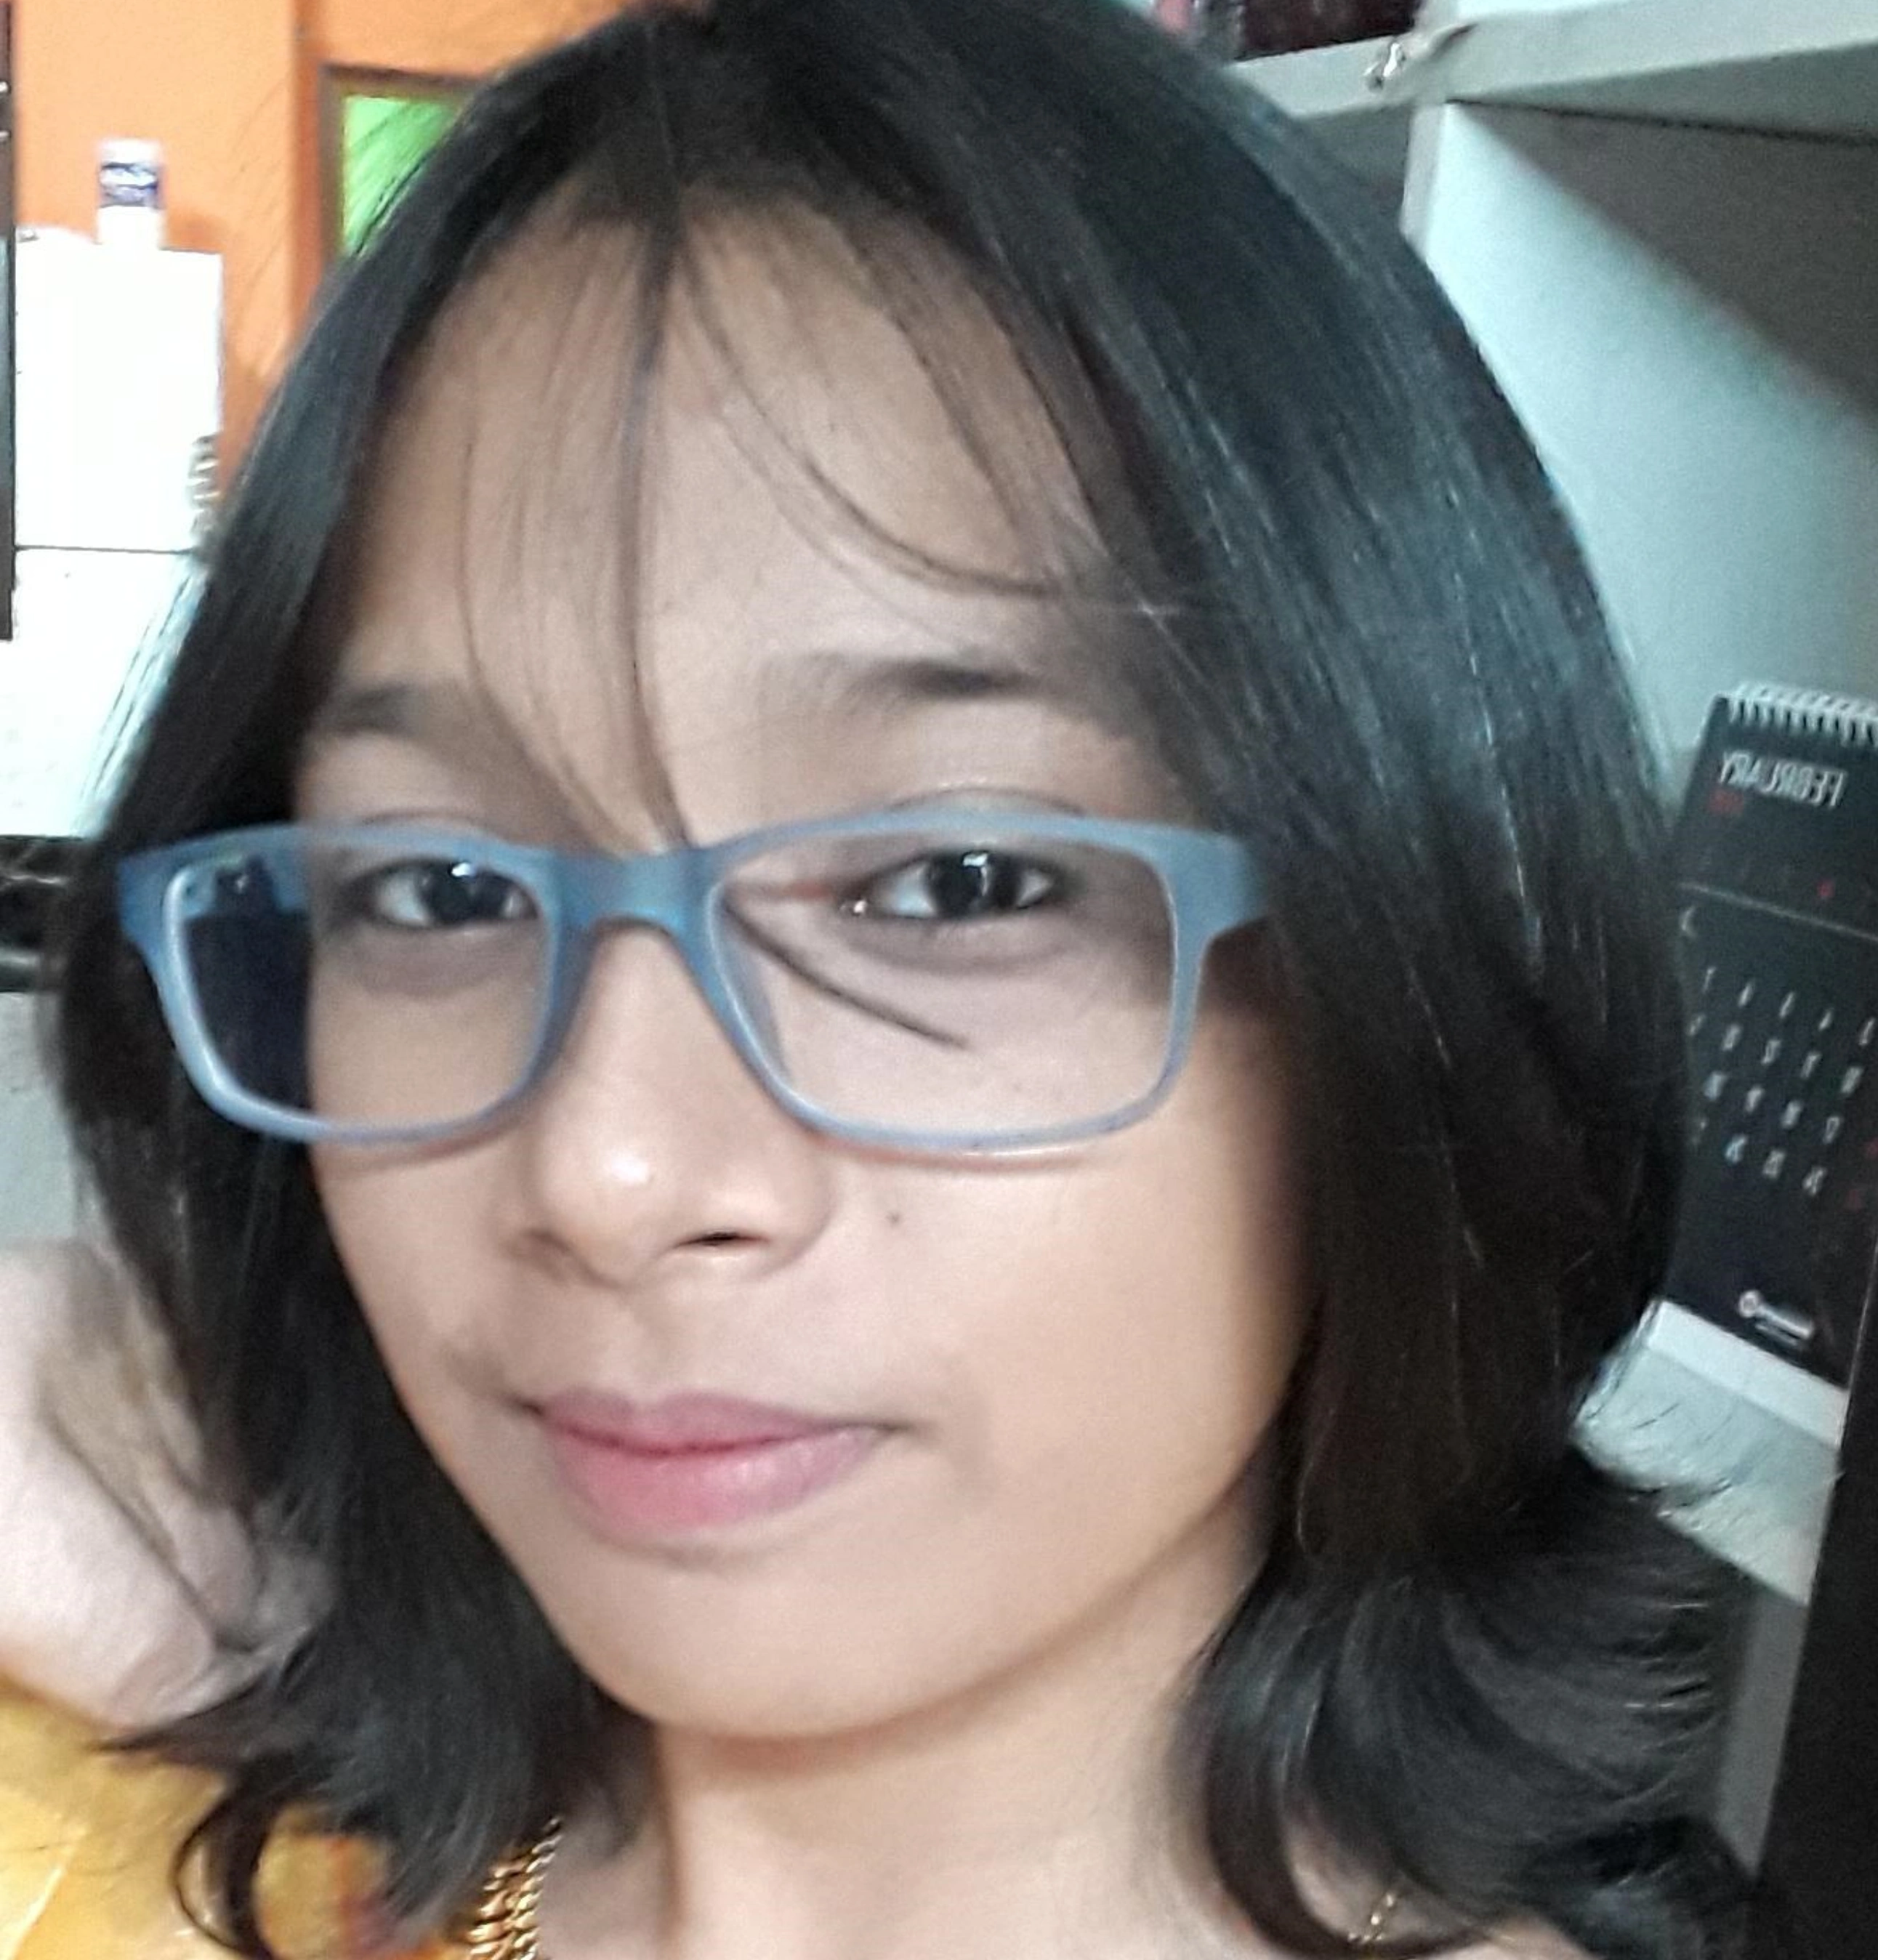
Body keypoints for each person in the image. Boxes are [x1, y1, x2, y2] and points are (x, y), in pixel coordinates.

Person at [0, 1, 1739, 1956]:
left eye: (951, 883)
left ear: (1403, 971)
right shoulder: (123, 1864)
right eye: (437, 888)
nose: (607, 1175)